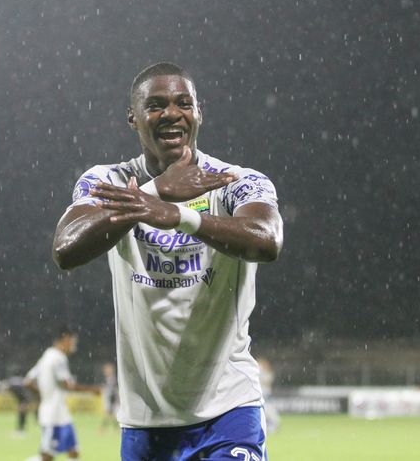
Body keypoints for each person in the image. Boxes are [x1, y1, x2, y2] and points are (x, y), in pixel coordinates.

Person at [52, 62, 284, 460]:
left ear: (198, 113)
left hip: (228, 408)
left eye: (183, 103)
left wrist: (181, 216)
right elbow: (66, 248)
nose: (172, 114)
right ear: (133, 118)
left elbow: (267, 240)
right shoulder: (108, 180)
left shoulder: (232, 181)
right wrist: (154, 192)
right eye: (156, 105)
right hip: (146, 421)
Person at [24, 327, 100, 461]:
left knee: (73, 451)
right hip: (53, 415)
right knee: (48, 455)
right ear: (65, 340)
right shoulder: (58, 358)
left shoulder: (47, 356)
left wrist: (44, 394)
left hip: (58, 412)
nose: (74, 345)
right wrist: (91, 390)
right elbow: (67, 385)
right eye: (73, 341)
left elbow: (28, 382)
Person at [257, 358, 281, 434]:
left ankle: (273, 426)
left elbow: (267, 381)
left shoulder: (268, 374)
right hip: (260, 397)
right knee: (262, 414)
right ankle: (266, 427)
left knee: (271, 413)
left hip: (267, 397)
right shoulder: (256, 373)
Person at [99, 362, 119, 432]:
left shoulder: (114, 378)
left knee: (112, 414)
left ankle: (104, 429)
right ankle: (106, 428)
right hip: (108, 398)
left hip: (113, 398)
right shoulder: (106, 378)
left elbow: (114, 389)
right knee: (109, 414)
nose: (106, 371)